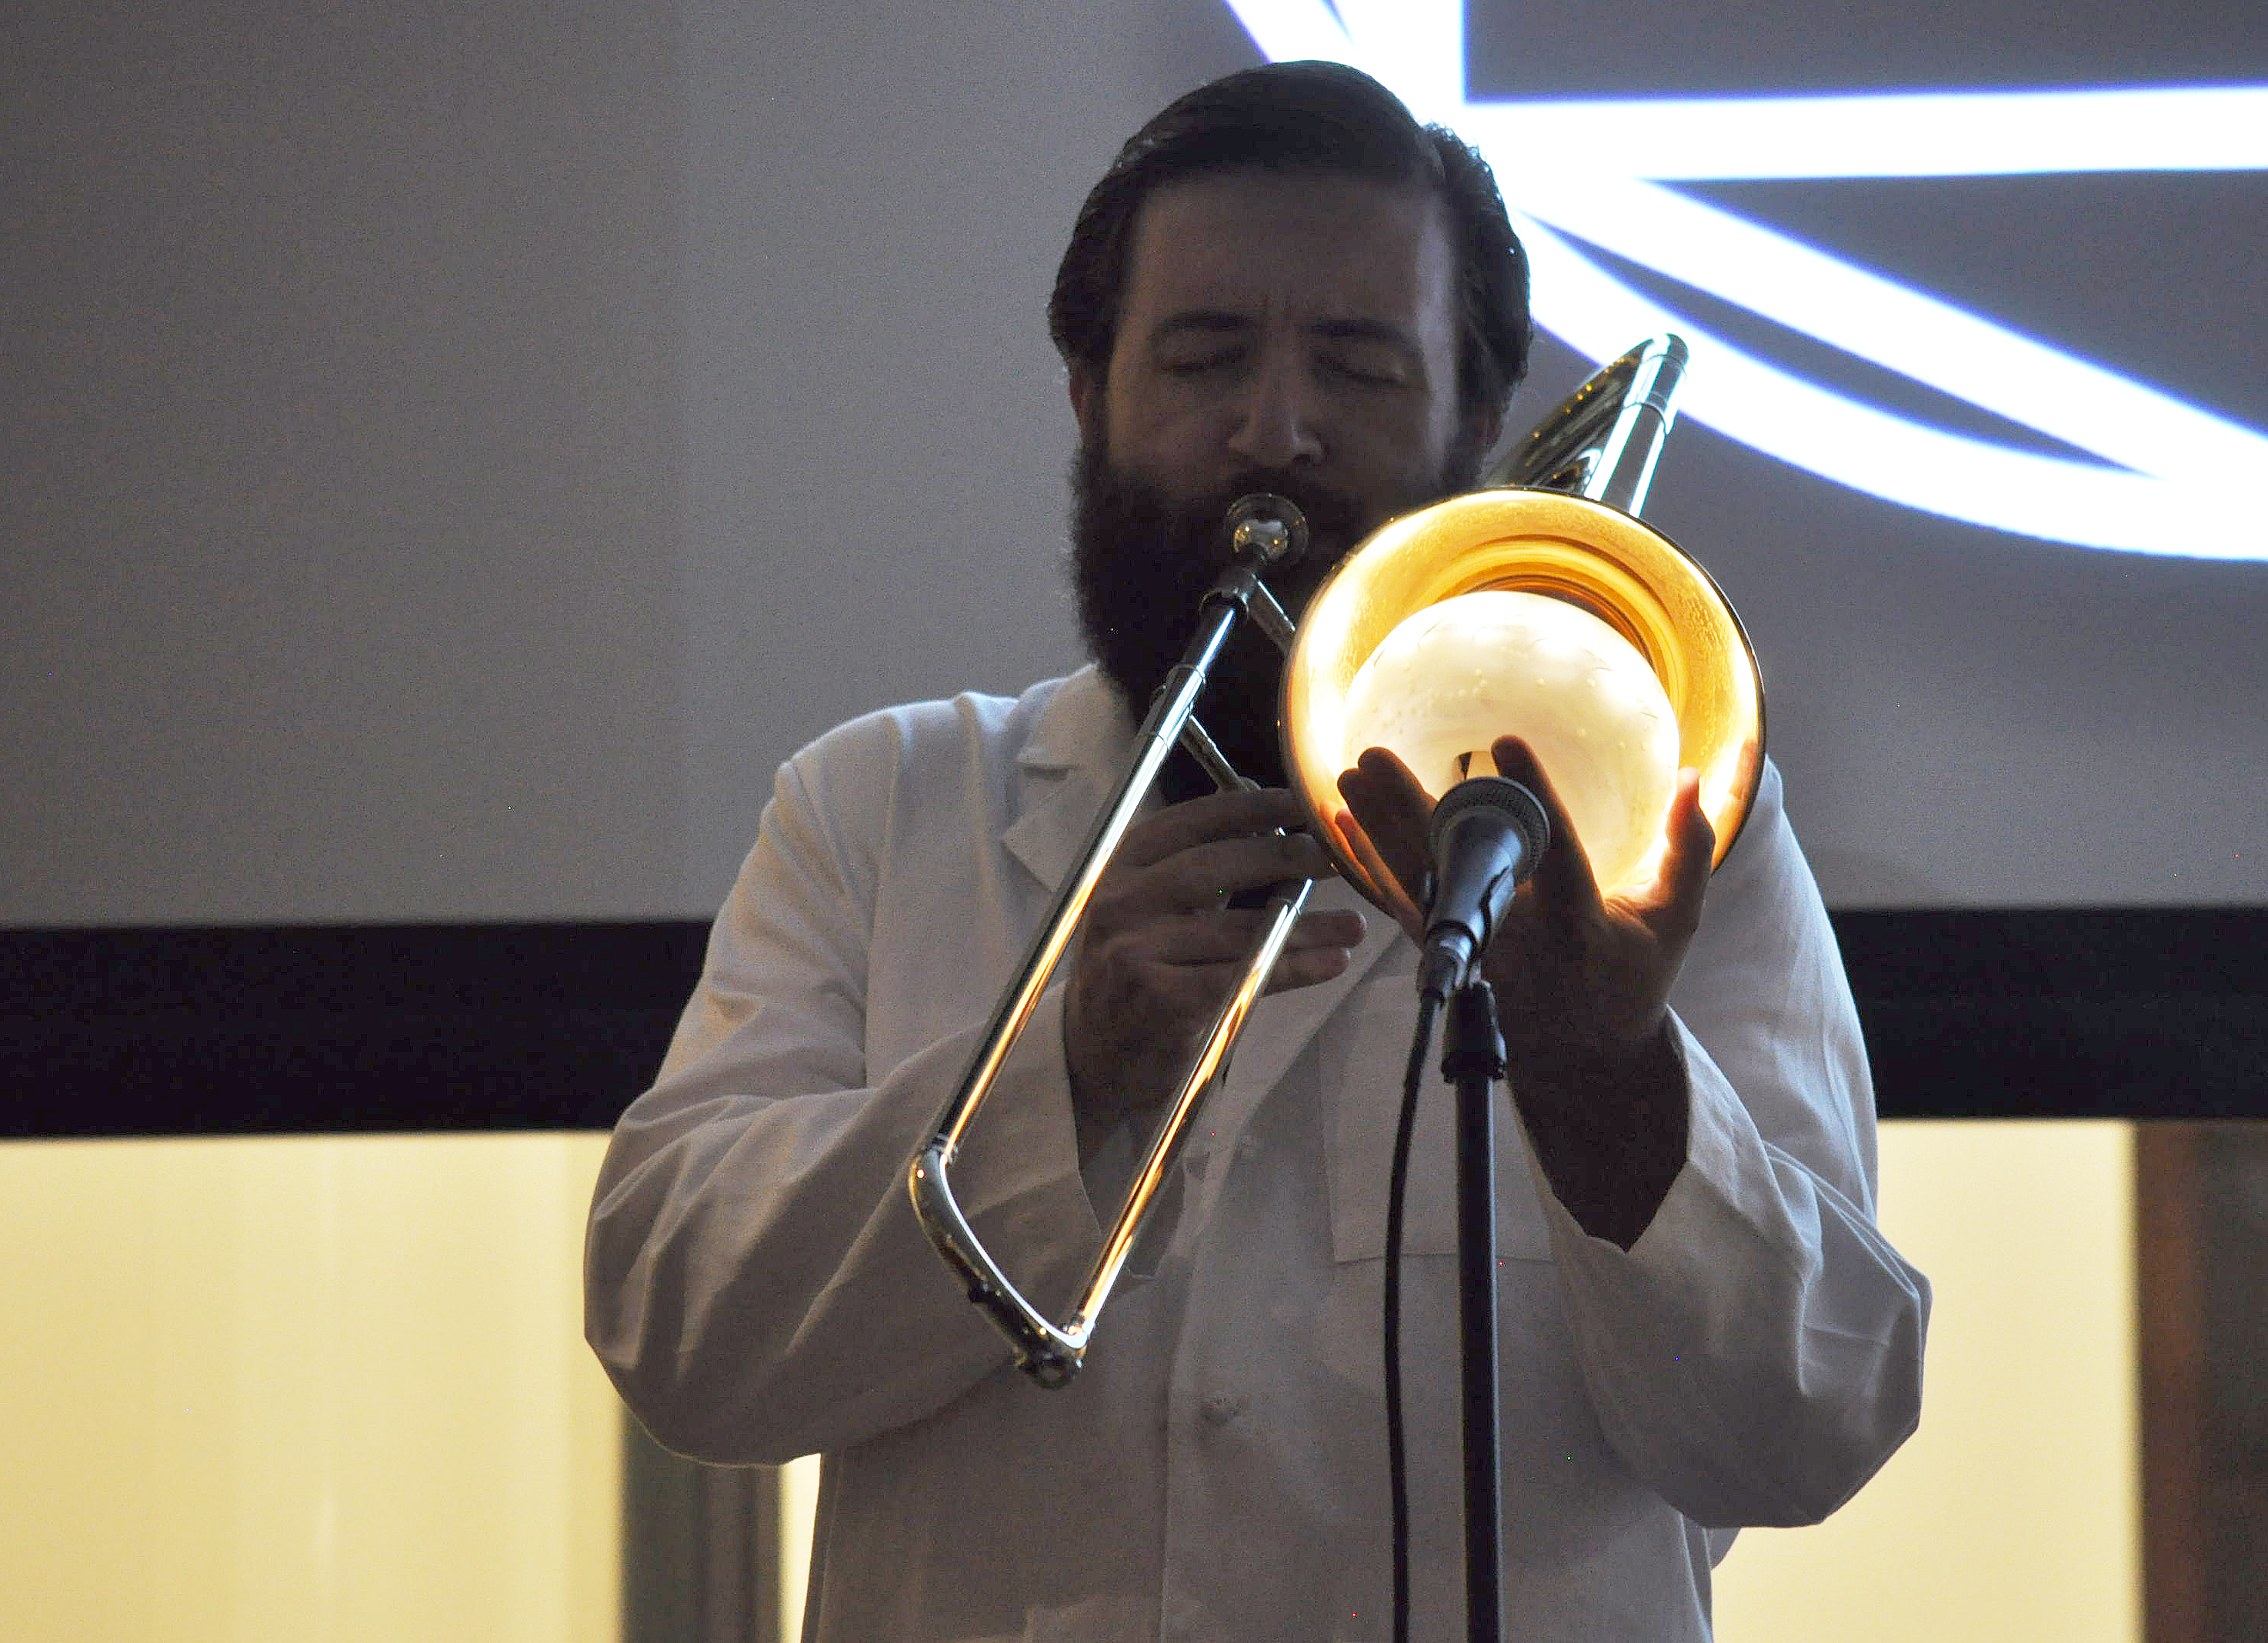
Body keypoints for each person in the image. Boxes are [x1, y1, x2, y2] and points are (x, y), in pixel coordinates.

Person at [585, 59, 1929, 1641]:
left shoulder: (1659, 819)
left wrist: (1612, 1084)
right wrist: (1066, 1068)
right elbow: (680, 1339)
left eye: (1357, 366)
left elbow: (1811, 1428)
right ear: (1090, 398)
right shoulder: (881, 807)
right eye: (1204, 357)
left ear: (1474, 422)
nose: (1274, 432)